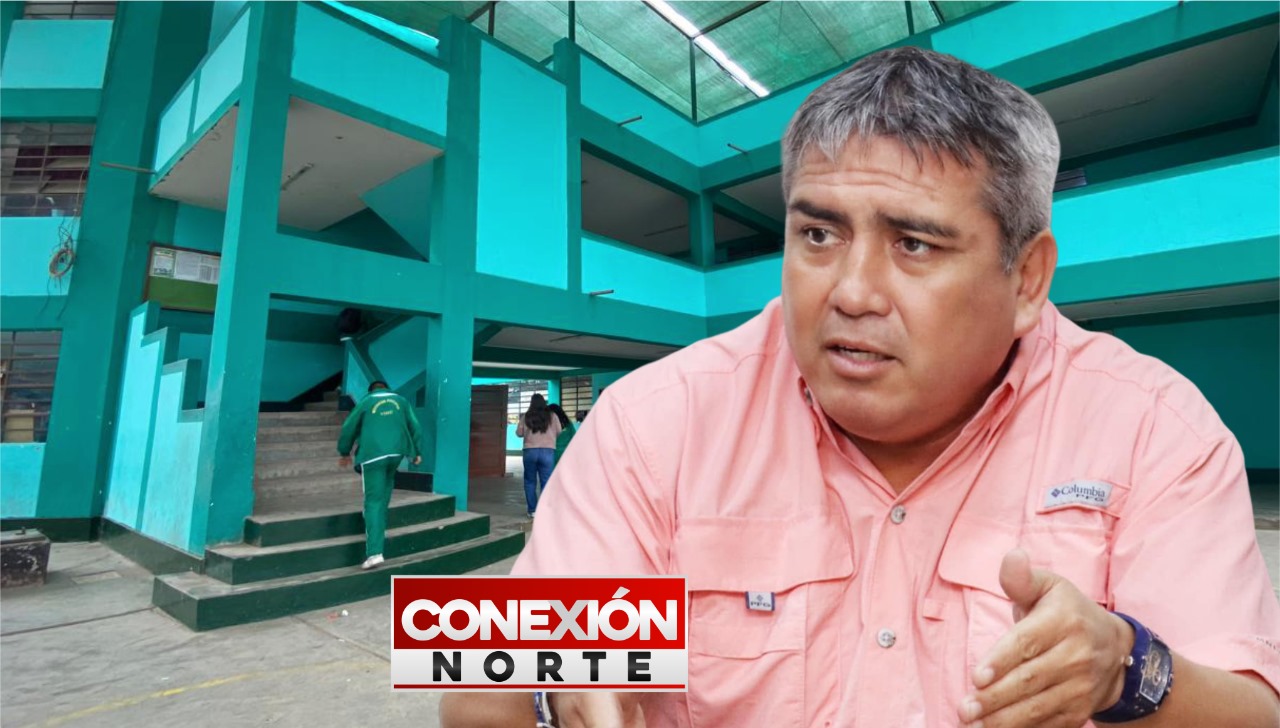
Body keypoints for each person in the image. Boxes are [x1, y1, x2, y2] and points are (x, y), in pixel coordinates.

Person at [441, 46, 1280, 727]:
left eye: (914, 244)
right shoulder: (656, 422)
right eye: (818, 233)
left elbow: (1253, 710)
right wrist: (554, 688)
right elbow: (468, 683)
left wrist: (1128, 672)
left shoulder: (1153, 430)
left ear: (1026, 278)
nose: (850, 292)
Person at [337, 380, 422, 570]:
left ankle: (374, 553)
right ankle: (377, 527)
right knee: (383, 495)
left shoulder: (366, 402)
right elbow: (415, 426)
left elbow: (348, 428)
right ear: (386, 388)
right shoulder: (401, 401)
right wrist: (416, 452)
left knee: (373, 502)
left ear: (371, 391)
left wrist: (344, 452)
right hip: (397, 453)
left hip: (372, 455)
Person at [516, 393, 561, 518]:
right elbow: (559, 431)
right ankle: (545, 510)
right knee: (546, 481)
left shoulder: (526, 416)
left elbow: (519, 433)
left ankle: (532, 510)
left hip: (530, 451)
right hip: (548, 451)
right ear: (543, 402)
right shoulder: (552, 416)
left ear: (531, 403)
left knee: (530, 481)